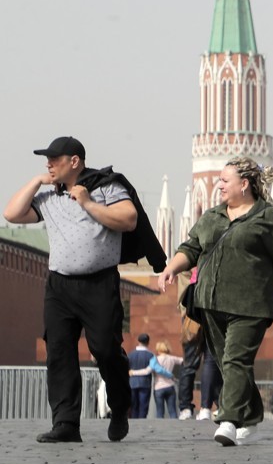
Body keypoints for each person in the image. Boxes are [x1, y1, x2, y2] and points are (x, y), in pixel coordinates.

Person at [4, 136, 165, 443]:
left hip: (99, 283)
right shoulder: (50, 197)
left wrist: (88, 202)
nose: (48, 164)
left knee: (105, 349)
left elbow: (129, 219)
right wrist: (37, 181)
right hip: (59, 287)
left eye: (54, 159)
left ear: (74, 161)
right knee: (59, 351)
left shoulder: (106, 186)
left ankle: (120, 408)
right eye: (46, 161)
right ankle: (65, 423)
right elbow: (12, 214)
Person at [157, 158, 273, 447]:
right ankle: (251, 415)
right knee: (229, 363)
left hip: (250, 306)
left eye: (225, 180)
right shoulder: (212, 216)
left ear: (245, 184)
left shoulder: (269, 218)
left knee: (236, 358)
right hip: (210, 303)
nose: (219, 185)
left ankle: (228, 419)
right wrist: (171, 268)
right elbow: (190, 248)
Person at [148, 342, 182, 419]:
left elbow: (150, 370)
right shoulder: (172, 358)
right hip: (170, 386)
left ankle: (160, 428)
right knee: (172, 410)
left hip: (158, 387)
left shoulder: (155, 359)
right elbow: (183, 361)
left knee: (160, 411)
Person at [127, 333, 155, 419]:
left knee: (133, 404)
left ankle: (134, 420)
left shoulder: (130, 354)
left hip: (132, 383)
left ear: (138, 341)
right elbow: (150, 369)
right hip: (145, 383)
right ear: (148, 342)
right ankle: (142, 420)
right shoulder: (151, 355)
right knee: (143, 404)